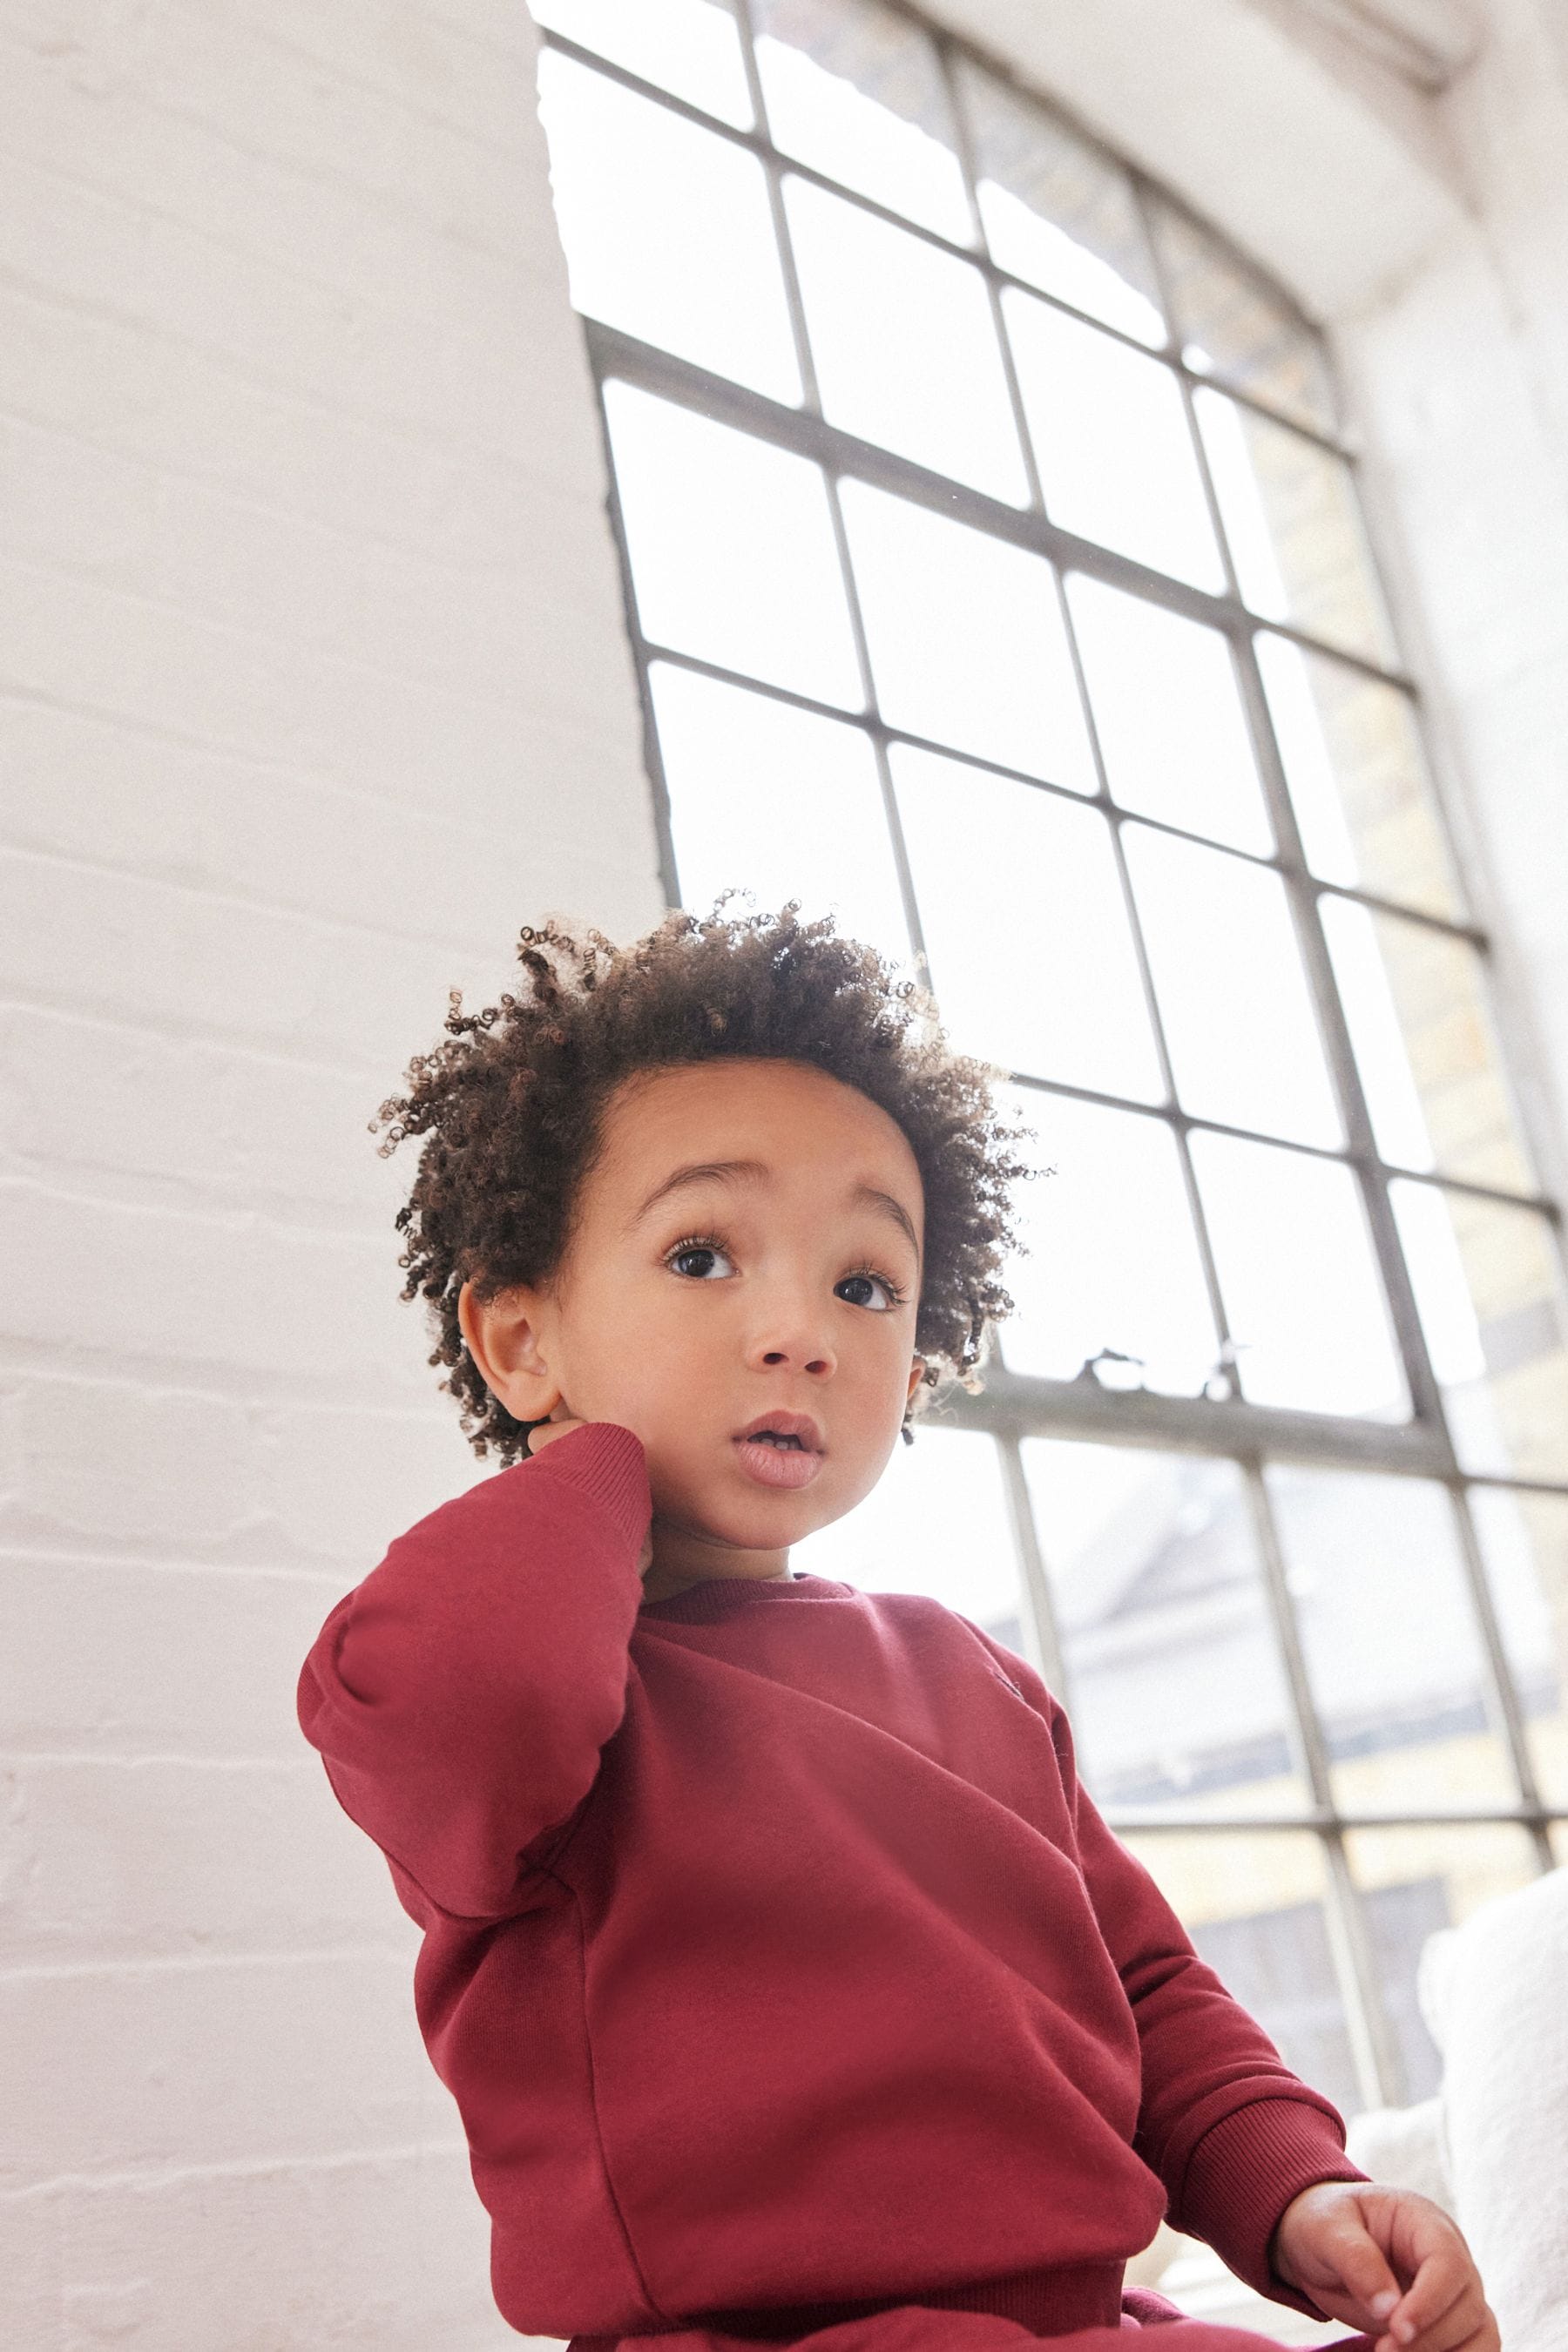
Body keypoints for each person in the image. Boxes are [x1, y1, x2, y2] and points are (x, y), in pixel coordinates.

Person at [297, 896, 1497, 2352]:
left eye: (868, 1285)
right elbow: (478, 1697)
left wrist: (1296, 2192)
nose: (804, 1327)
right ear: (517, 1336)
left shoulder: (966, 1678)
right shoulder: (514, 1671)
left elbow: (1147, 1991)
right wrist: (591, 1444)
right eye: (700, 1258)